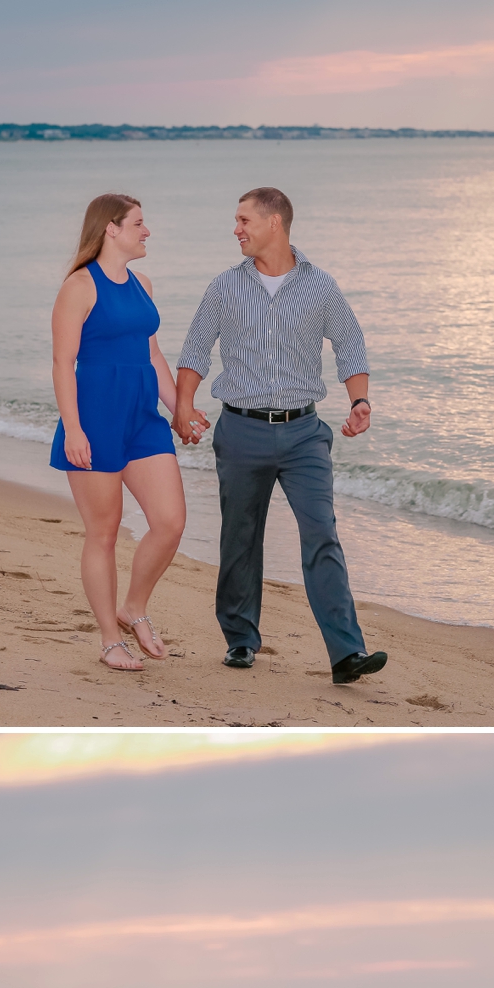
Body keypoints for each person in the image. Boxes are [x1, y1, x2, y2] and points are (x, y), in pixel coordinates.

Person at [172, 188, 388, 686]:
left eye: (244, 220)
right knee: (240, 538)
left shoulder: (321, 286)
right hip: (241, 429)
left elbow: (350, 343)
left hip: (304, 434)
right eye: (236, 221)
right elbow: (195, 349)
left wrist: (360, 402)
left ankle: (345, 654)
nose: (236, 229)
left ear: (275, 223)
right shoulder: (225, 287)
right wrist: (183, 408)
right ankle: (241, 640)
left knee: (322, 534)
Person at [50, 193, 206, 671]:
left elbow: (153, 355)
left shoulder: (142, 284)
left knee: (170, 521)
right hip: (95, 421)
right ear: (111, 229)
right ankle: (108, 639)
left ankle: (133, 607)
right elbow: (62, 362)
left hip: (142, 419)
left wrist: (180, 410)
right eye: (139, 223)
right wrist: (74, 429)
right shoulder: (79, 286)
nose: (147, 231)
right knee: (104, 531)